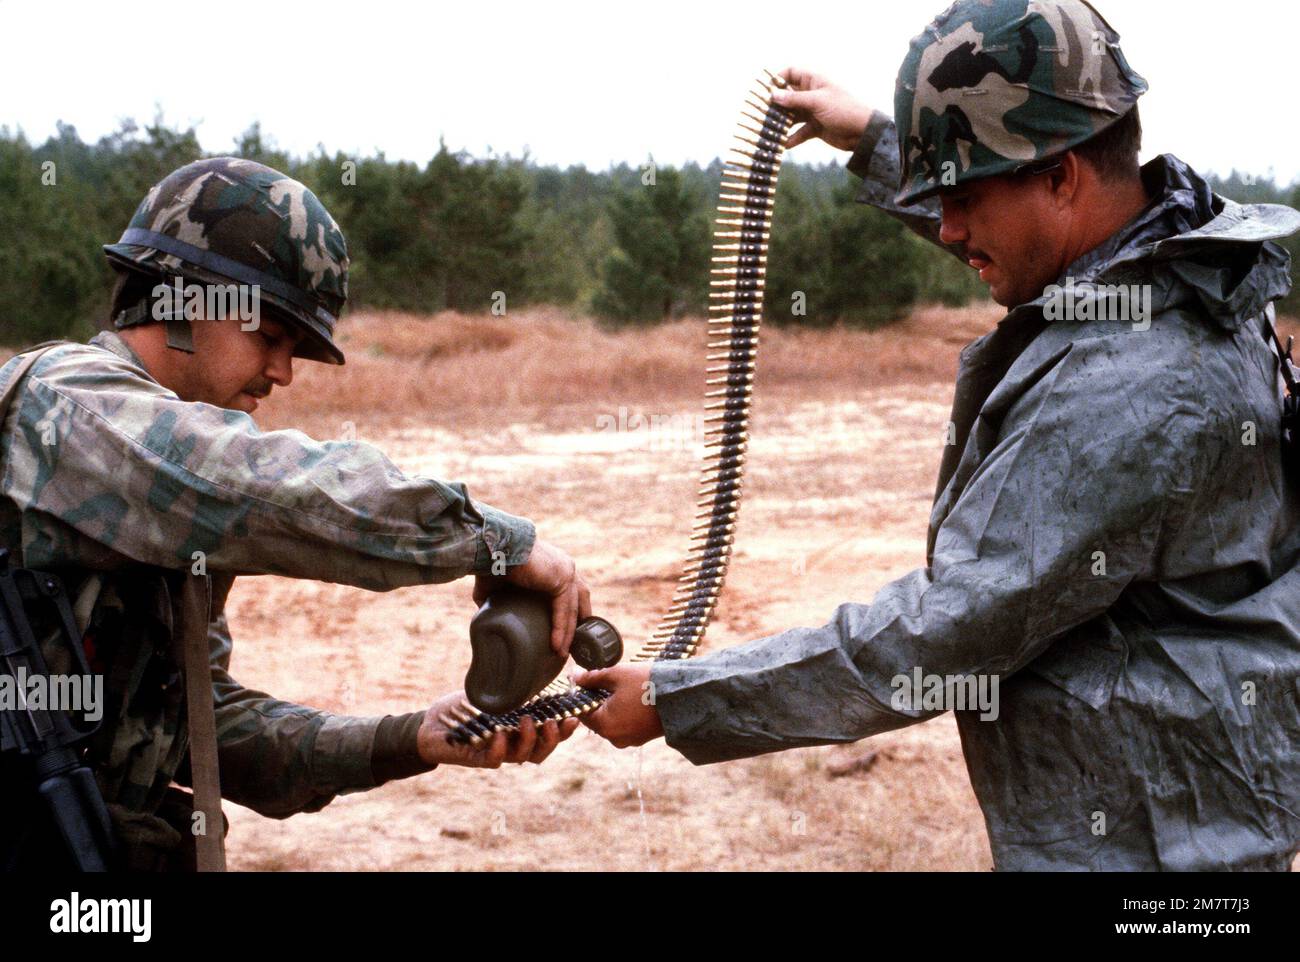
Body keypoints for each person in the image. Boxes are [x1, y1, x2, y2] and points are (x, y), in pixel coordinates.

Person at [577, 0, 1300, 870]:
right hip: (1200, 820)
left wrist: (676, 697)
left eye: (963, 198)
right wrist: (880, 143)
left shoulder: (1128, 387)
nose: (951, 231)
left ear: (1064, 175)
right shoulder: (1184, 261)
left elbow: (948, 632)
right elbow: (1032, 251)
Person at [0, 156, 586, 871]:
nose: (280, 373)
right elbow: (268, 486)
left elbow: (207, 727)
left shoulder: (174, 500)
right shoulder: (68, 406)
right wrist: (496, 541)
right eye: (270, 337)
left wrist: (412, 738)